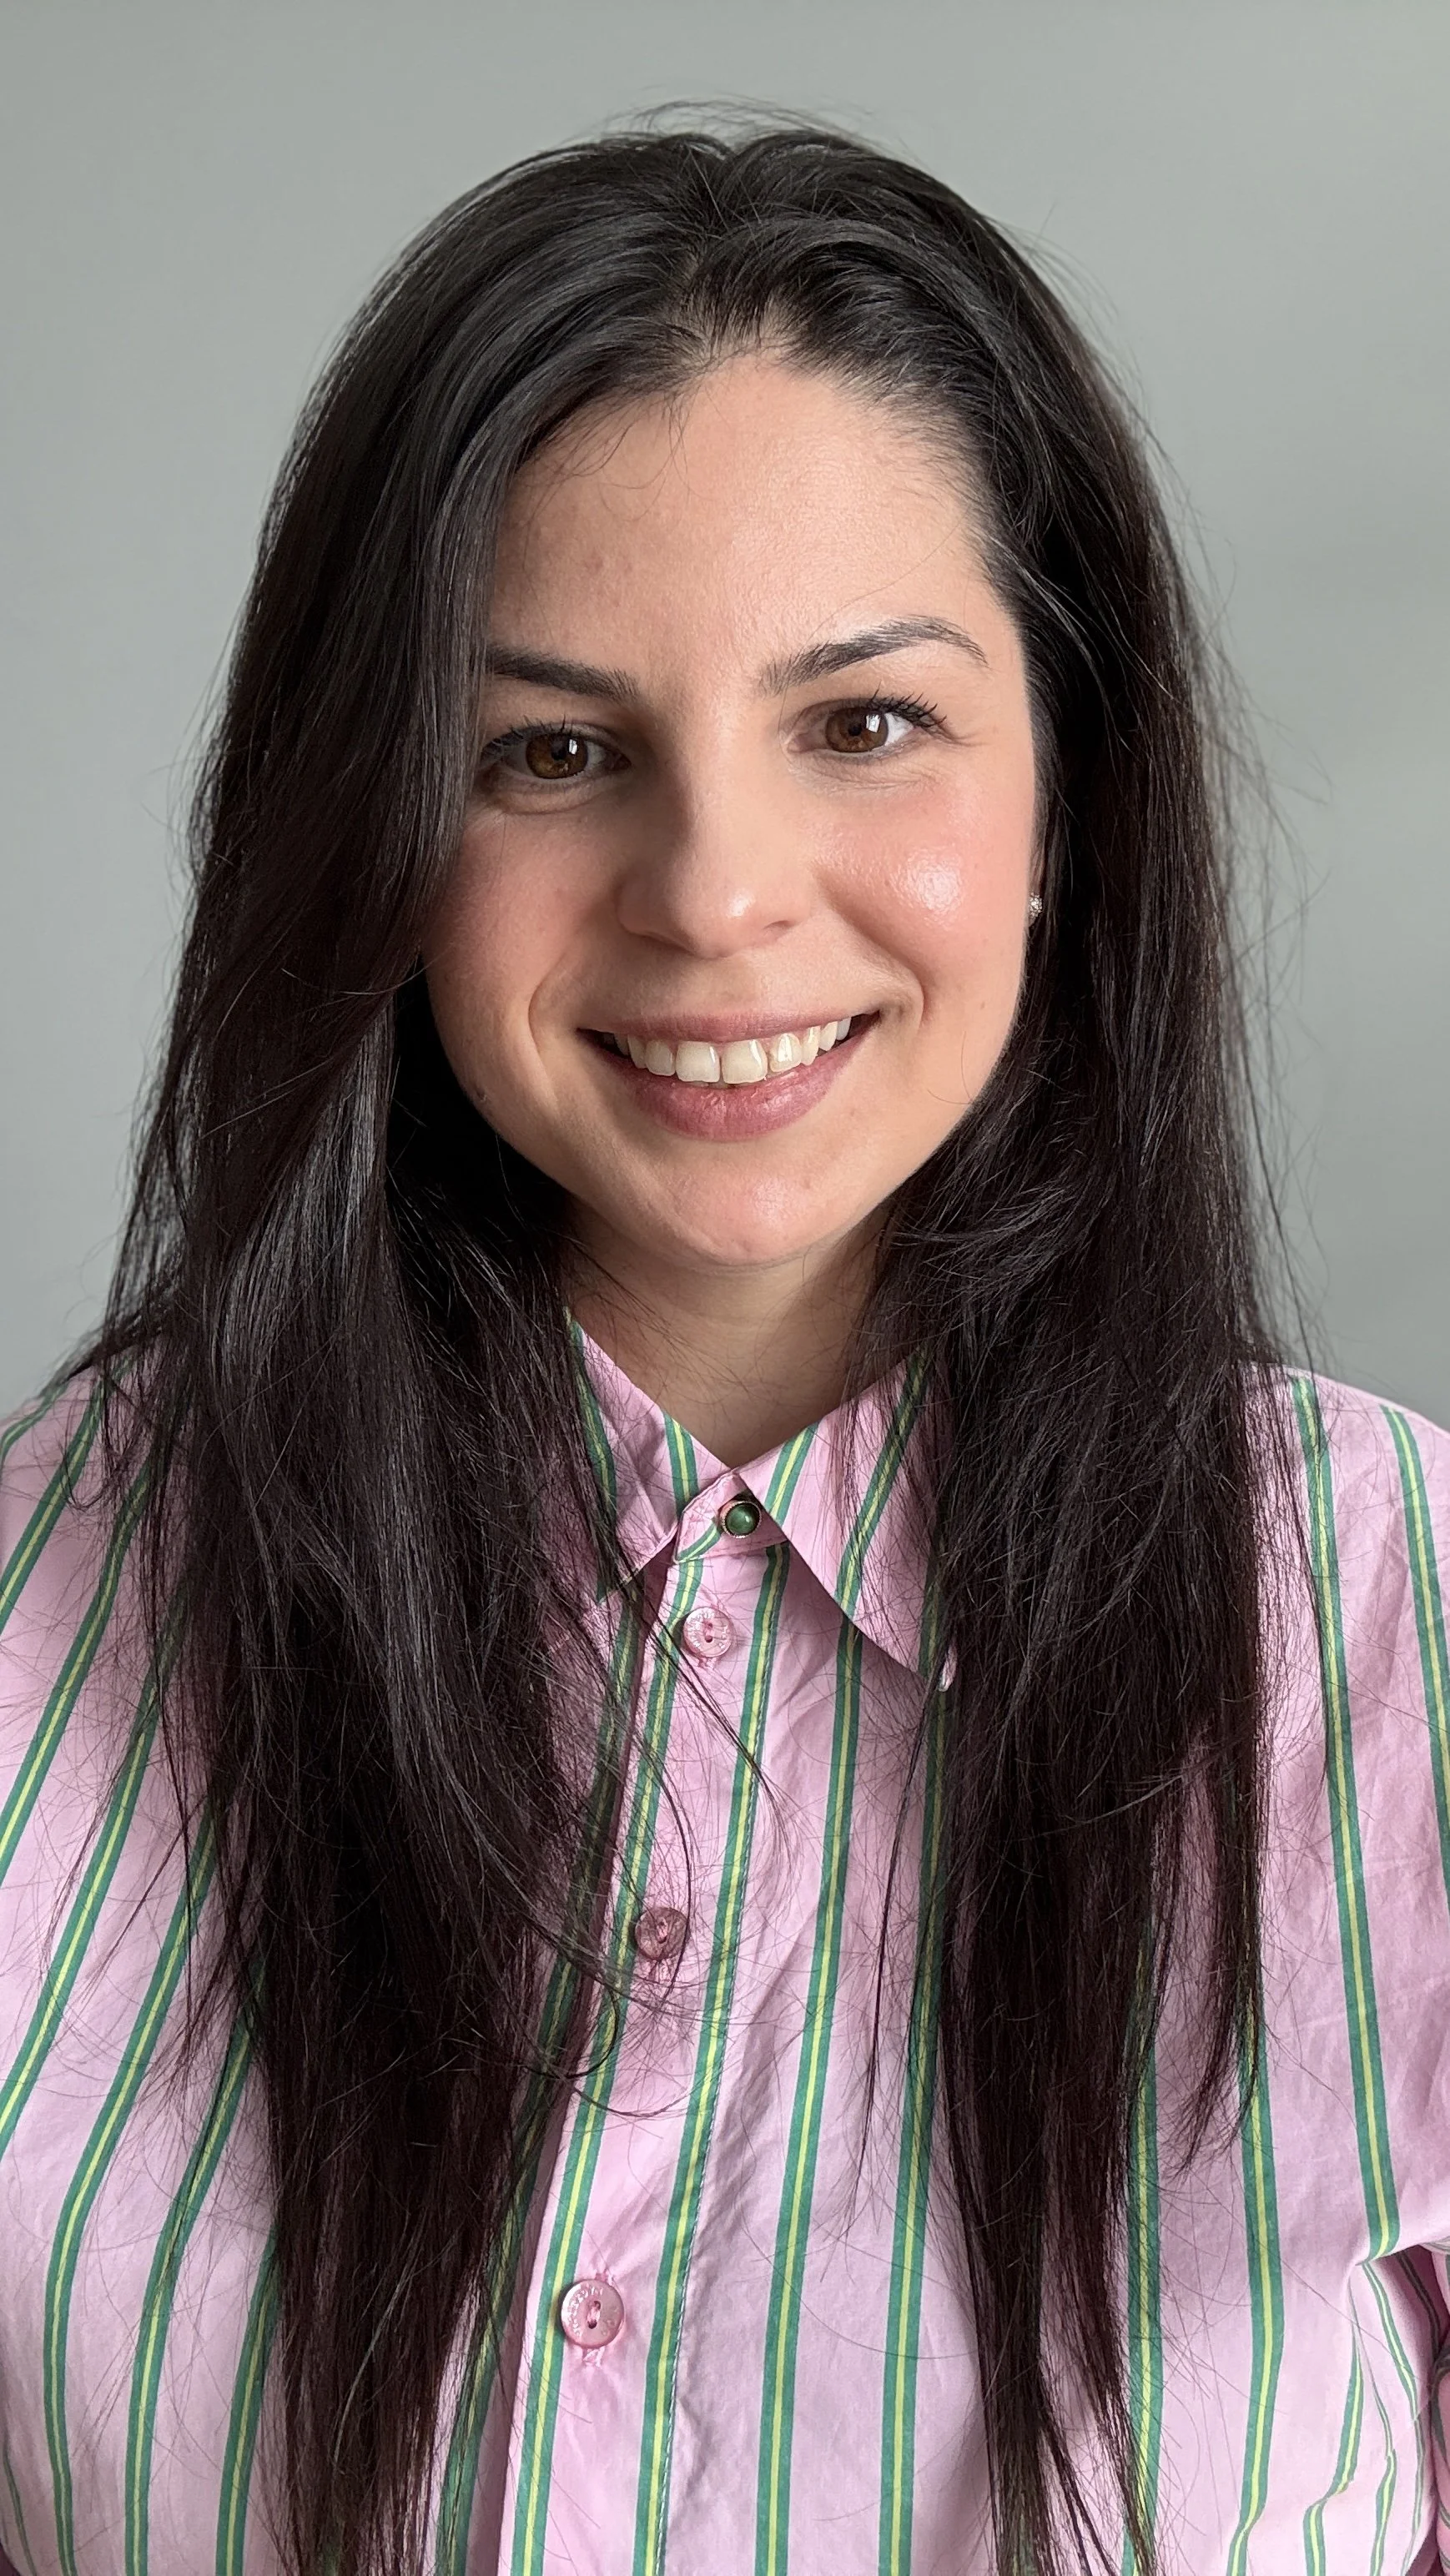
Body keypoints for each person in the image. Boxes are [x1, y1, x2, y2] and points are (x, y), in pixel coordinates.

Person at [0, 112, 1447, 2576]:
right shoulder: (61, 1584)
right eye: (550, 751)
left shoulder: (1395, 1615)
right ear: (380, 826)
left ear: (1066, 795)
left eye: (865, 722)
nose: (715, 896)